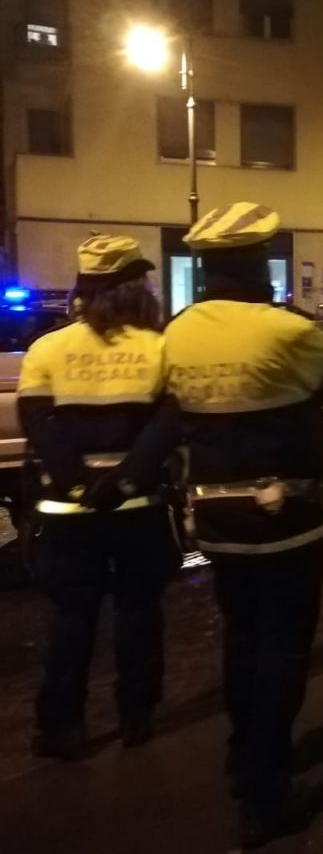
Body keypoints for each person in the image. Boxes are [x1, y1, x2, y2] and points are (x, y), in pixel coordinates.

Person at [163, 201, 323, 848]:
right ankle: (267, 790)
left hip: (218, 521)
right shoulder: (287, 331)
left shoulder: (178, 332)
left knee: (241, 639)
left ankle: (241, 752)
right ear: (255, 262)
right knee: (282, 647)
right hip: (289, 521)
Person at [17, 235, 180, 760]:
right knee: (139, 612)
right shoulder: (161, 348)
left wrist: (78, 483)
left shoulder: (48, 349)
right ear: (136, 288)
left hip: (68, 513)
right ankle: (137, 716)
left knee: (71, 617)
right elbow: (167, 424)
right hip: (139, 510)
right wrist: (127, 479)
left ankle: (61, 726)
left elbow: (38, 424)